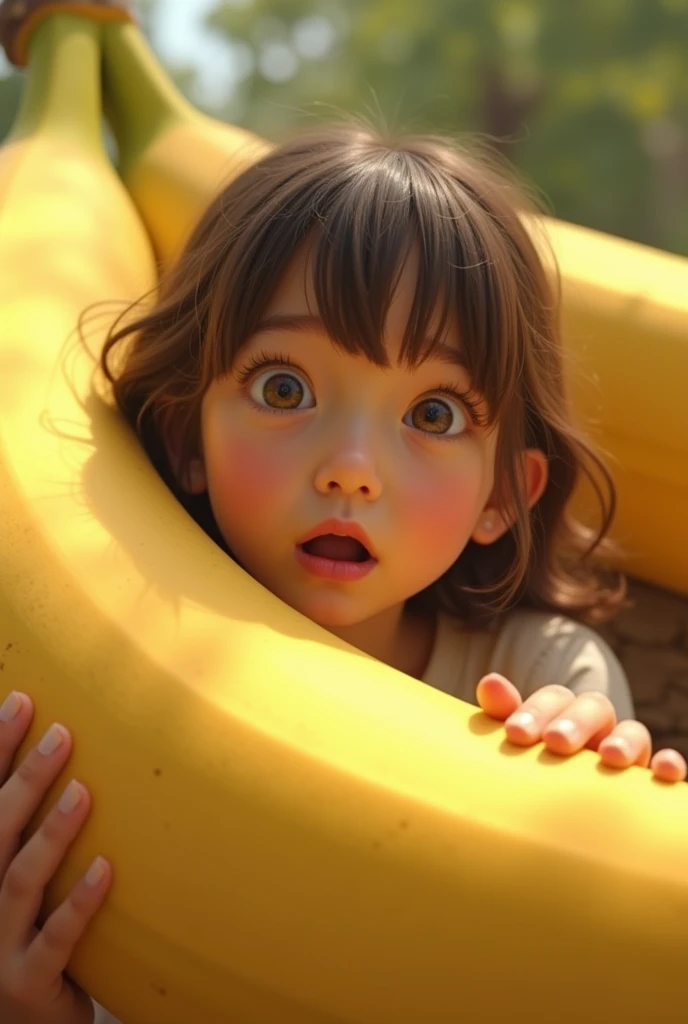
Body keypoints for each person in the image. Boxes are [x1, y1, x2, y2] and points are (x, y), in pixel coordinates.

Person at [1, 124, 685, 1024]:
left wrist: (597, 797)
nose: (352, 466)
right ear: (184, 433)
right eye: (285, 388)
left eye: (434, 413)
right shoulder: (106, 702)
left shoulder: (553, 675)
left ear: (503, 495)